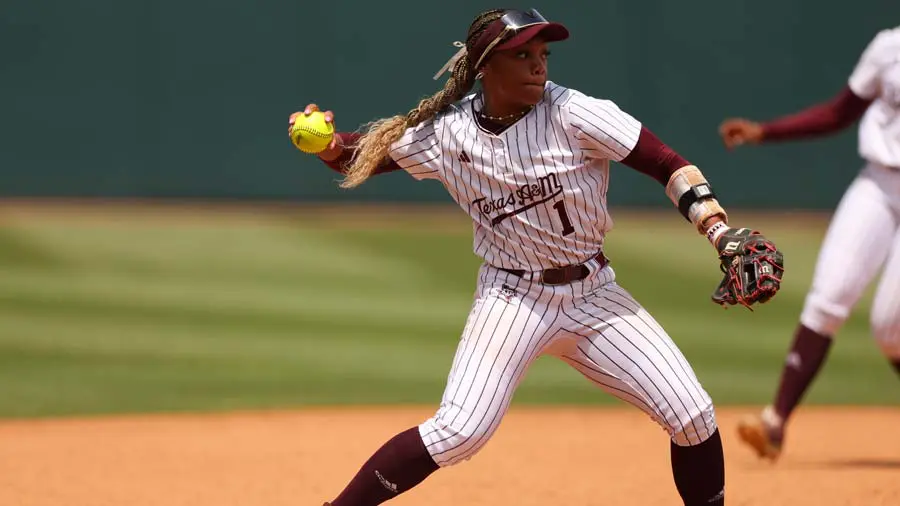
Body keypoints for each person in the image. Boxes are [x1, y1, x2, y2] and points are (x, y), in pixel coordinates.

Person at [291, 8, 782, 505]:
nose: (537, 65)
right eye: (521, 54)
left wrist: (718, 231)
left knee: (692, 414)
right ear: (486, 67)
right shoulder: (446, 134)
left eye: (543, 53)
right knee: (459, 431)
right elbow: (357, 156)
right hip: (512, 299)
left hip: (595, 295)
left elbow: (666, 164)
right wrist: (328, 143)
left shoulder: (576, 113)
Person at [719, 25, 900, 462]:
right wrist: (767, 132)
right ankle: (775, 423)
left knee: (889, 326)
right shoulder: (889, 45)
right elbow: (839, 112)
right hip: (878, 183)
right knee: (829, 294)